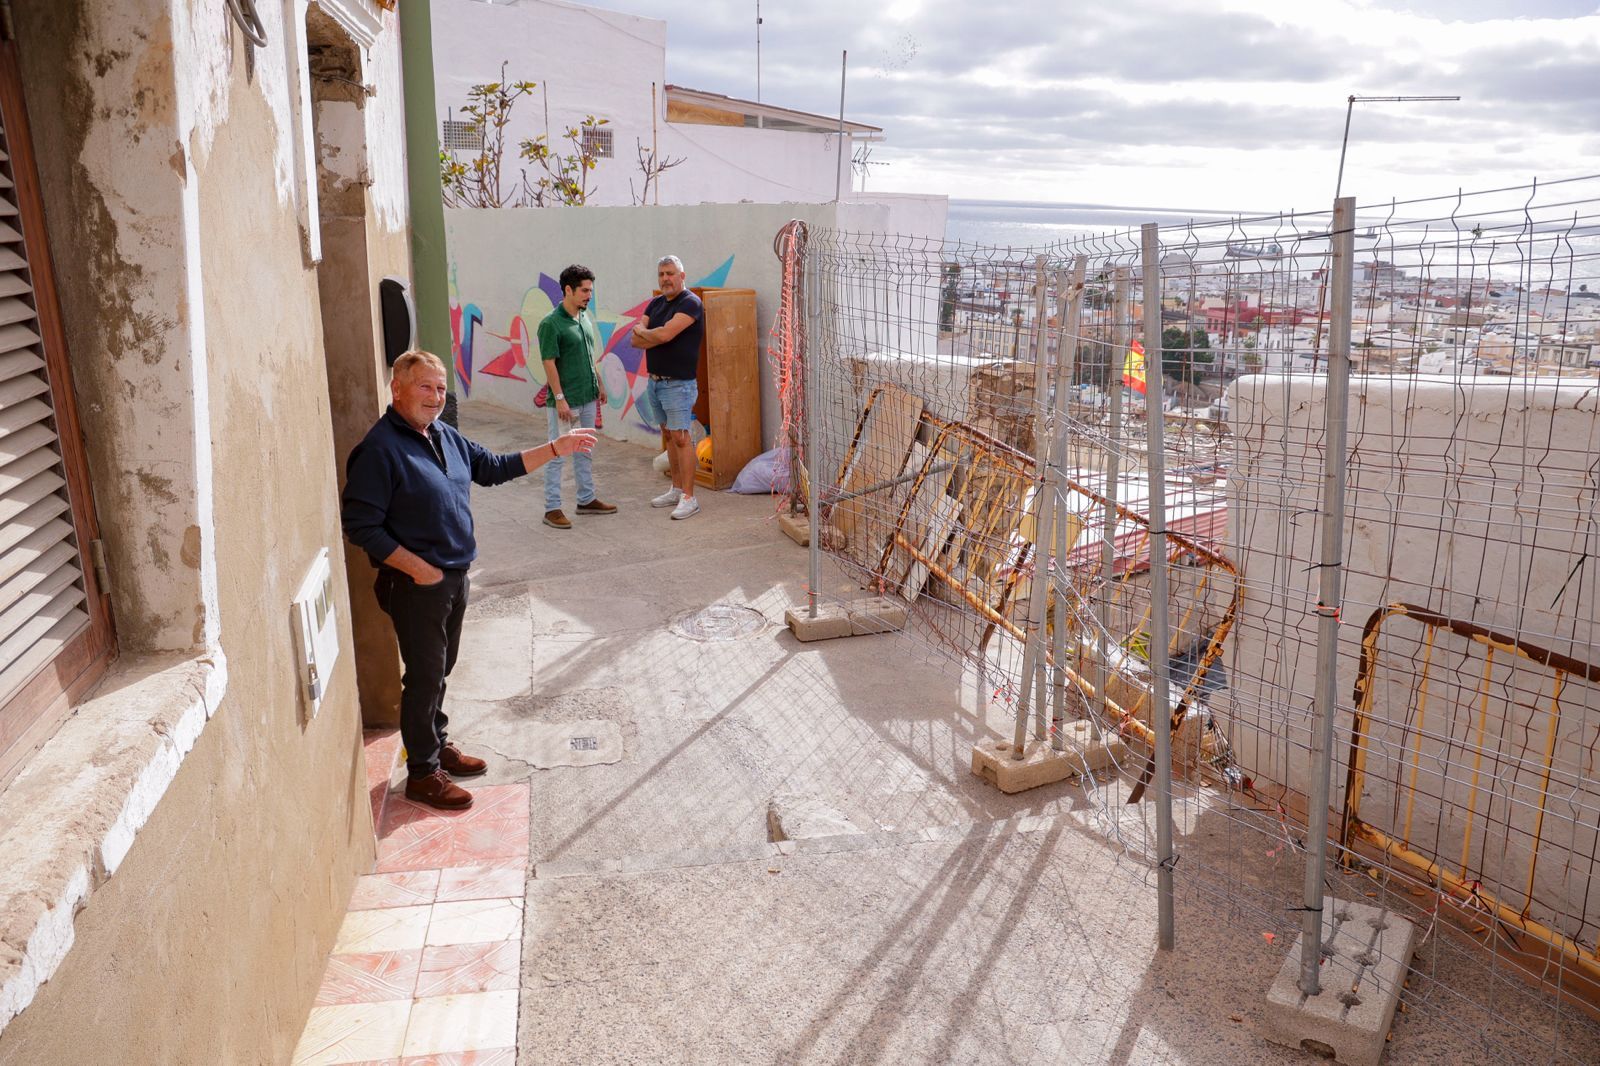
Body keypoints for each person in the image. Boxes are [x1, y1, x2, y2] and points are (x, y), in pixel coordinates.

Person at [342, 351, 597, 810]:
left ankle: (436, 746)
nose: (436, 397)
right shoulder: (380, 449)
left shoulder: (444, 436)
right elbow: (360, 526)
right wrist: (419, 570)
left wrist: (558, 447)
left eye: (440, 388)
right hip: (416, 585)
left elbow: (495, 467)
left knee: (440, 671)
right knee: (423, 678)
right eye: (425, 387)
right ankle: (422, 773)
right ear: (397, 388)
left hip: (453, 578)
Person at [536, 263, 615, 530]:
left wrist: (600, 384)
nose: (588, 295)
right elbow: (548, 362)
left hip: (588, 396)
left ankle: (586, 499)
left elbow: (589, 356)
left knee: (585, 450)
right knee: (556, 453)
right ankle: (552, 508)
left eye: (590, 290)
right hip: (565, 401)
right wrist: (559, 398)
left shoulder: (584, 318)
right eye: (584, 290)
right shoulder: (550, 324)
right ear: (568, 290)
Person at [631, 255, 706, 520]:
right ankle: (675, 489)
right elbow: (635, 341)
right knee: (670, 438)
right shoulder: (656, 303)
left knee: (682, 439)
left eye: (670, 273)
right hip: (655, 383)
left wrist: (651, 334)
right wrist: (655, 334)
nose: (665, 278)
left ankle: (689, 497)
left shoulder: (691, 304)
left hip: (679, 385)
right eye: (661, 274)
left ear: (682, 276)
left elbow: (662, 335)